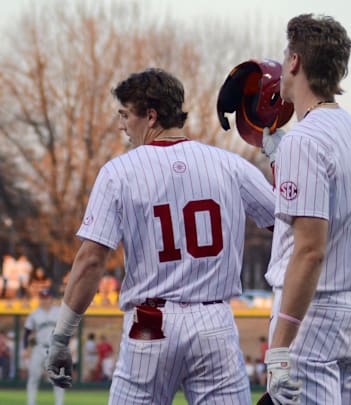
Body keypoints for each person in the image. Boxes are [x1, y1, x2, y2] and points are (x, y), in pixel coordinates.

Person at [44, 68, 276, 405]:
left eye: (126, 114)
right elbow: (289, 223)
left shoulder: (118, 172)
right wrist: (282, 158)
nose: (122, 124)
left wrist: (62, 336)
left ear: (150, 116)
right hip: (214, 322)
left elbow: (91, 260)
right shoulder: (230, 164)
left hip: (151, 324)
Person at [259, 13, 351, 405]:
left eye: (286, 55)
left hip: (316, 309)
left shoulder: (305, 138)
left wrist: (280, 346)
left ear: (295, 61)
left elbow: (310, 250)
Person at [25, 288, 64, 405]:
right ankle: (31, 403)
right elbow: (27, 331)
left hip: (54, 348)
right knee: (33, 377)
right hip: (39, 347)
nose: (45, 300)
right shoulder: (34, 314)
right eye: (42, 298)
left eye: (47, 298)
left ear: (51, 299)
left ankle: (59, 403)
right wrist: (25, 348)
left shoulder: (59, 312)